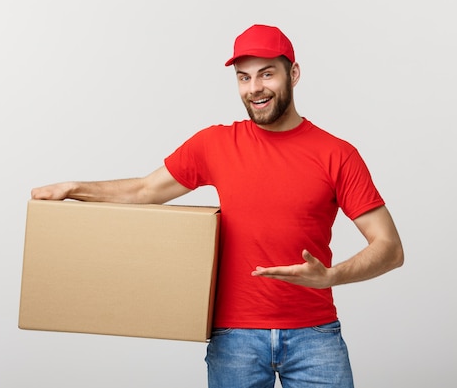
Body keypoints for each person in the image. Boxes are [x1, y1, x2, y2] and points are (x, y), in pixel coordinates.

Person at [31, 24, 404, 388]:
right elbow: (144, 190)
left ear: (294, 73)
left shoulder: (337, 154)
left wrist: (331, 276)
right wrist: (74, 187)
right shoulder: (215, 144)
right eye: (244, 78)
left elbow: (389, 248)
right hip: (234, 338)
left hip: (315, 335)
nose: (254, 88)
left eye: (267, 74)